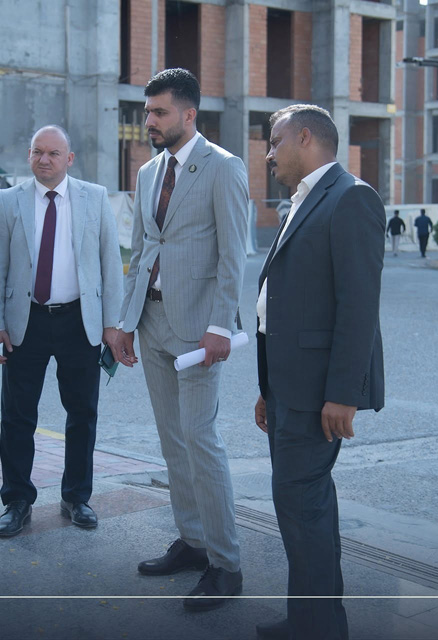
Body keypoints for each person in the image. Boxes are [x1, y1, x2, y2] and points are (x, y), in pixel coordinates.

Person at [114, 68, 248, 611]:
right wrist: (126, 321)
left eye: (159, 112)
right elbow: (142, 249)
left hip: (198, 330)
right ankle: (192, 542)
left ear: (189, 114)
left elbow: (234, 254)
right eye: (147, 111)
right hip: (150, 322)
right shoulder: (148, 172)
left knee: (200, 439)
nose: (149, 120)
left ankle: (226, 563)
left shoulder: (224, 167)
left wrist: (221, 325)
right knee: (172, 440)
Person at [254, 104, 385, 640]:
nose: (269, 154)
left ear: (305, 137)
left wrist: (343, 394)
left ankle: (316, 626)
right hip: (287, 388)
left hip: (318, 393)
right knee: (305, 507)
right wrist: (267, 388)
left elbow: (359, 306)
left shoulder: (351, 197)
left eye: (275, 141)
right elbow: (282, 302)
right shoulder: (300, 202)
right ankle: (315, 621)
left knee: (300, 504)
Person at [0, 125, 123, 538]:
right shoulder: (10, 200)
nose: (44, 159)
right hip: (24, 321)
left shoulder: (94, 197)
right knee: (17, 415)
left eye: (53, 153)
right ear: (29, 156)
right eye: (37, 152)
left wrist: (111, 325)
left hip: (79, 320)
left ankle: (76, 497)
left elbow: (110, 264)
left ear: (69, 159)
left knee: (82, 413)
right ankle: (16, 500)